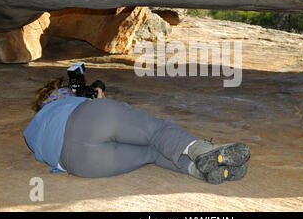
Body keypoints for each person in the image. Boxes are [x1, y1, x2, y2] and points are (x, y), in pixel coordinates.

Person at [24, 77, 250, 184]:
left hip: (78, 164)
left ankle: (198, 170)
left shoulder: (35, 128)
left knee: (151, 153)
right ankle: (203, 151)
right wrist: (97, 96)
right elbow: (93, 109)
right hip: (86, 119)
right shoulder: (64, 96)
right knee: (156, 132)